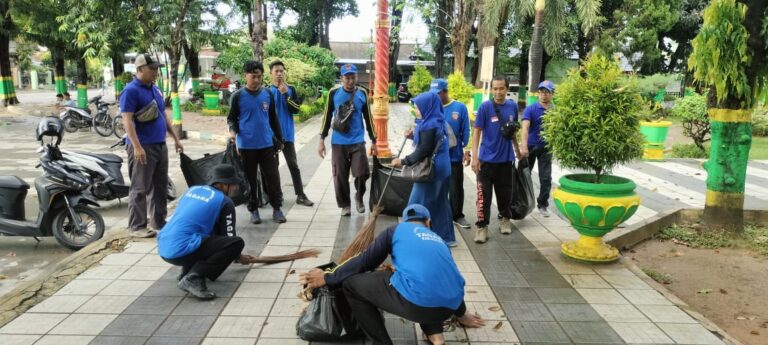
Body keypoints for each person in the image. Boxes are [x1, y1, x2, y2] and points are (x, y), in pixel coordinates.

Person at [299, 204, 485, 345]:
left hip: (419, 304)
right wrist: (462, 315)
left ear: (405, 221)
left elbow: (365, 261)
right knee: (422, 284)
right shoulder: (440, 241)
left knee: (351, 285)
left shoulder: (396, 230)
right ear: (428, 223)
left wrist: (328, 277)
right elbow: (444, 279)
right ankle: (436, 338)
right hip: (449, 307)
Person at [158, 164, 253, 300]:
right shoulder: (225, 202)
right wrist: (238, 255)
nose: (235, 188)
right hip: (181, 250)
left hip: (164, 246)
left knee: (205, 232)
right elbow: (229, 237)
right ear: (221, 185)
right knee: (236, 243)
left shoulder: (192, 190)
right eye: (232, 184)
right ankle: (194, 277)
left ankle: (187, 270)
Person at [120, 53, 184, 238]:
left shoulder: (155, 89)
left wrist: (175, 138)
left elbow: (163, 116)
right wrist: (137, 147)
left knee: (160, 186)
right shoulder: (131, 91)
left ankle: (158, 221)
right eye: (152, 68)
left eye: (157, 68)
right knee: (140, 188)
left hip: (159, 145)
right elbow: (127, 121)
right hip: (142, 147)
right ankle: (137, 227)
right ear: (140, 69)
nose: (156, 72)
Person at [227, 60, 287, 224]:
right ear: (245, 76)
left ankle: (277, 208)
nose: (256, 80)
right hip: (247, 147)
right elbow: (231, 119)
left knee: (273, 178)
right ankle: (253, 209)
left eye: (259, 76)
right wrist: (233, 134)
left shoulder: (267, 94)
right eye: (253, 76)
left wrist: (280, 139)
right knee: (250, 180)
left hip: (267, 145)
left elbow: (273, 119)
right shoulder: (237, 96)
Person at [392, 92, 455, 246]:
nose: (417, 110)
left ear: (428, 107)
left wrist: (403, 161)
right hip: (443, 168)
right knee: (440, 204)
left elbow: (424, 150)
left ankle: (409, 240)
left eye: (419, 108)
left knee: (415, 204)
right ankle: (447, 238)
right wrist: (412, 136)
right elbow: (430, 142)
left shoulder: (429, 124)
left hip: (431, 172)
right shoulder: (437, 120)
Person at [318, 64, 377, 216]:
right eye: (347, 78)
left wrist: (374, 140)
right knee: (340, 176)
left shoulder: (362, 92)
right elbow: (326, 117)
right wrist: (321, 139)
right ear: (341, 78)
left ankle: (359, 197)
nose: (350, 81)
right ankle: (345, 204)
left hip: (357, 141)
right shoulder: (334, 93)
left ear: (356, 77)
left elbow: (368, 118)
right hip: (338, 142)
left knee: (361, 172)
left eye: (353, 77)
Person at [470, 75, 520, 244]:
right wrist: (474, 157)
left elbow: (513, 131)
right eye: (495, 88)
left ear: (507, 89)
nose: (498, 92)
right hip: (486, 162)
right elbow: (476, 132)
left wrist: (518, 151)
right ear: (492, 89)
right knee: (483, 196)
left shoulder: (512, 107)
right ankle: (482, 227)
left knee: (505, 194)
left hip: (506, 160)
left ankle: (505, 219)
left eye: (501, 88)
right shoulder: (485, 107)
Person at [268, 60, 314, 207]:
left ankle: (300, 195)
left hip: (287, 135)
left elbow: (296, 109)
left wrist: (286, 95)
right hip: (272, 137)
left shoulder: (291, 89)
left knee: (293, 165)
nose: (280, 74)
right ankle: (277, 196)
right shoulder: (266, 91)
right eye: (276, 71)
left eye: (282, 71)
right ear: (271, 74)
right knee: (273, 168)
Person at [430, 79, 472, 229]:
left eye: (438, 94)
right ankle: (436, 215)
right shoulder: (431, 107)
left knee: (456, 187)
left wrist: (467, 151)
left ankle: (457, 215)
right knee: (437, 188)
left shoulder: (459, 108)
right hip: (436, 157)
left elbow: (466, 130)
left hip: (454, 156)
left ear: (445, 92)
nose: (435, 97)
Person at [521, 80, 555, 218]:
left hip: (546, 148)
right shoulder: (531, 109)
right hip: (530, 147)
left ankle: (543, 205)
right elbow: (525, 128)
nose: (543, 95)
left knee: (546, 178)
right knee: (524, 176)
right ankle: (522, 203)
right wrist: (523, 146)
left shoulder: (555, 110)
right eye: (541, 92)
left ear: (552, 94)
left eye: (547, 92)